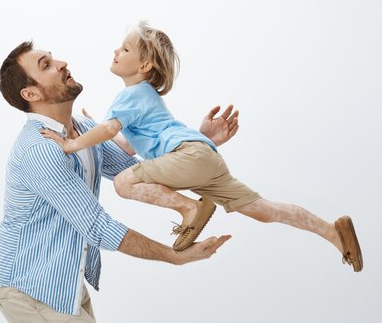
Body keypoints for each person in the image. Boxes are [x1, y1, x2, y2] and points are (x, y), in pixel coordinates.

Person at [41, 21, 363, 272]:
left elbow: (111, 130)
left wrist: (71, 145)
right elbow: (125, 146)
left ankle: (189, 208)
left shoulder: (129, 96)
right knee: (265, 210)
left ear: (143, 67)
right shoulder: (144, 98)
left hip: (190, 156)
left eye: (125, 49)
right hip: (203, 156)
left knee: (124, 183)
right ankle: (333, 232)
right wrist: (97, 127)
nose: (115, 51)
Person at [0, 41, 236, 323]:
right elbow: (97, 227)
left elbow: (138, 172)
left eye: (53, 58)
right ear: (31, 94)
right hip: (31, 290)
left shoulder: (81, 130)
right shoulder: (41, 150)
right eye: (46, 65)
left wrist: (198, 143)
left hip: (64, 282)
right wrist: (174, 256)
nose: (62, 62)